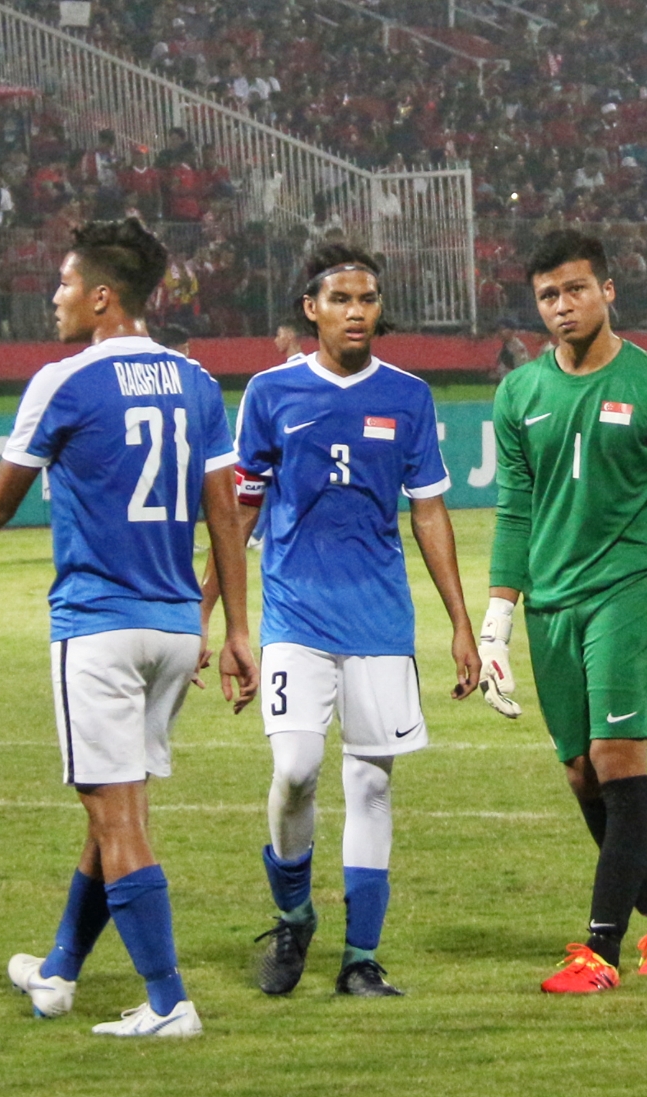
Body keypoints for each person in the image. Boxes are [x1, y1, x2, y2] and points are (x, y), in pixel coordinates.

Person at [0, 218, 257, 1038]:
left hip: (100, 626)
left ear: (103, 297)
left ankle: (169, 1001)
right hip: (176, 627)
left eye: (66, 284)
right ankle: (61, 970)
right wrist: (239, 628)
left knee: (118, 819)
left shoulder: (62, 381)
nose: (56, 298)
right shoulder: (198, 382)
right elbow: (226, 514)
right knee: (112, 810)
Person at [206, 244, 480, 998]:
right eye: (343, 299)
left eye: (368, 299)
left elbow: (428, 512)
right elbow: (242, 510)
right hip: (294, 617)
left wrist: (460, 623)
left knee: (371, 788)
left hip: (381, 626)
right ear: (312, 309)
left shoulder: (409, 397)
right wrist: (215, 617)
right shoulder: (269, 392)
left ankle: (360, 958)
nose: (358, 311)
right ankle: (294, 916)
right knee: (294, 771)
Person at [476, 229, 647, 993]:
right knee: (583, 775)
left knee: (618, 762)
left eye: (576, 289)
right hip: (549, 604)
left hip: (623, 593)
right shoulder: (519, 394)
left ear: (608, 291)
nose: (562, 305)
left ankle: (599, 952)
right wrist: (496, 625)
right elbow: (514, 513)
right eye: (548, 295)